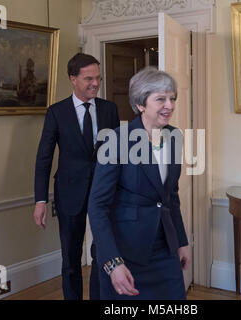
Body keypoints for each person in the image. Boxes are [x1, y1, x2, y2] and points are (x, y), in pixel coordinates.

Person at [88, 67, 190, 300]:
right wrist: (113, 263)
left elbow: (171, 197)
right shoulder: (116, 140)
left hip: (165, 248)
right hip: (124, 252)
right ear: (141, 104)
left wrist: (181, 241)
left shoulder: (175, 137)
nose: (170, 105)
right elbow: (97, 207)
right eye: (161, 99)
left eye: (172, 98)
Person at [33, 53, 120, 300]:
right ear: (73, 79)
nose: (95, 83)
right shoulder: (57, 112)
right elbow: (44, 159)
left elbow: (117, 156)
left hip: (104, 195)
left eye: (98, 78)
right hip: (69, 194)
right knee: (70, 259)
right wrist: (40, 200)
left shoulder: (109, 110)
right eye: (88, 78)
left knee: (102, 254)